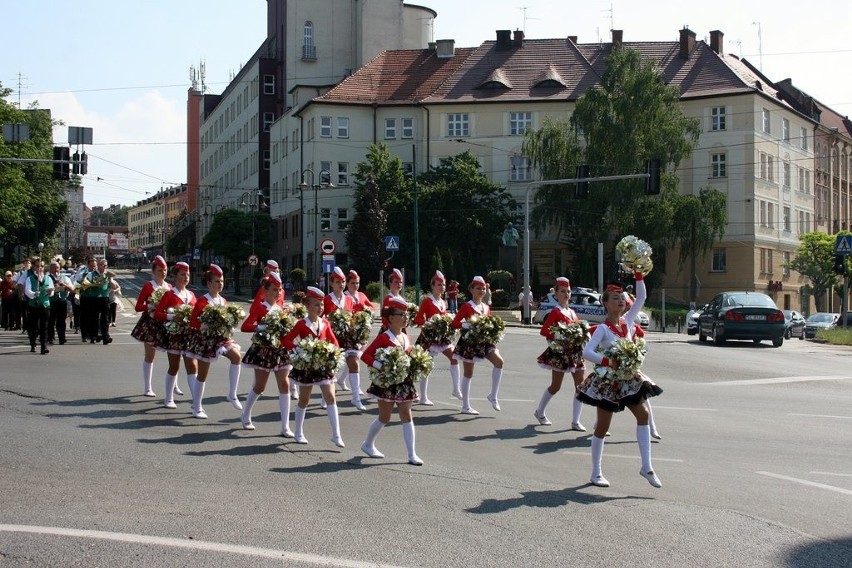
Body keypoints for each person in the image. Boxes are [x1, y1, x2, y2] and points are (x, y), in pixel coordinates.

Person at [578, 273, 663, 488]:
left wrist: (639, 274)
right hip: (608, 381)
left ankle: (647, 467)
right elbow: (587, 352)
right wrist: (607, 361)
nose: (621, 300)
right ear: (605, 304)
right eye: (614, 298)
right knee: (602, 426)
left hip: (628, 379)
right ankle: (596, 472)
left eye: (622, 297)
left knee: (643, 414)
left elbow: (641, 297)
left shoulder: (628, 321)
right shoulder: (603, 329)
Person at [360, 296, 423, 465]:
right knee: (384, 417)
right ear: (391, 318)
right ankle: (367, 444)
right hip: (387, 383)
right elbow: (365, 355)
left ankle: (411, 454)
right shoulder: (383, 337)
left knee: (407, 415)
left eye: (407, 314)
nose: (405, 317)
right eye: (401, 314)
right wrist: (380, 366)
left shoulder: (406, 337)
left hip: (404, 383)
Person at [281, 286, 344, 447]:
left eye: (321, 305)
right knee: (304, 399)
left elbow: (334, 341)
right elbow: (287, 341)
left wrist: (333, 352)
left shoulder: (325, 323)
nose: (320, 308)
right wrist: (300, 350)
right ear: (307, 306)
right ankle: (298, 432)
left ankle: (336, 434)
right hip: (306, 366)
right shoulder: (301, 324)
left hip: (322, 366)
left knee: (330, 396)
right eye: (316, 305)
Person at [185, 264, 243, 419]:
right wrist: (205, 324)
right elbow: (193, 322)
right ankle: (197, 407)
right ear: (209, 283)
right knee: (203, 374)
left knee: (237, 357)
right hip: (207, 340)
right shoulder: (203, 301)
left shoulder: (223, 301)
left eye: (222, 281)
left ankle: (232, 394)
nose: (220, 284)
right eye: (217, 281)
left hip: (222, 338)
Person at [239, 271, 294, 436]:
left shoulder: (281, 309)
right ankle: (245, 414)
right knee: (260, 386)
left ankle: (285, 426)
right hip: (263, 350)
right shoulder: (261, 308)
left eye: (279, 290)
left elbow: (284, 332)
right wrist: (261, 327)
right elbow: (245, 326)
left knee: (284, 384)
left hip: (280, 350)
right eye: (274, 290)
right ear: (266, 291)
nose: (278, 293)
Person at [533, 277, 586, 430]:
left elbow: (577, 330)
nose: (566, 294)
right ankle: (540, 412)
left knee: (580, 386)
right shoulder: (555, 312)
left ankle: (576, 421)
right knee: (556, 386)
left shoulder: (572, 312)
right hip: (561, 354)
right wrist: (561, 336)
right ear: (556, 293)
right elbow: (544, 331)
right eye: (563, 291)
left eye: (568, 291)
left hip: (575, 352)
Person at [451, 275, 504, 415]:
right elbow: (454, 323)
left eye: (483, 288)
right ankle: (465, 406)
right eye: (478, 288)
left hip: (485, 342)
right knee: (468, 373)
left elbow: (489, 323)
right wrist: (467, 324)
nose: (481, 291)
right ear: (472, 290)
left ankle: (493, 395)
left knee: (499, 362)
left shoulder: (486, 307)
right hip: (470, 342)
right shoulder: (467, 306)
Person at [153, 262, 198, 411]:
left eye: (188, 275)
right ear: (175, 276)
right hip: (174, 335)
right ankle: (168, 398)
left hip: (189, 335)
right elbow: (158, 314)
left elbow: (198, 314)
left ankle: (196, 402)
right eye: (182, 274)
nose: (186, 277)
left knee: (192, 366)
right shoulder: (169, 294)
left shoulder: (191, 295)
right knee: (174, 366)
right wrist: (173, 317)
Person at [413, 270, 462, 403]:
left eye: (443, 285)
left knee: (454, 357)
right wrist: (430, 323)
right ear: (433, 286)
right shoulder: (427, 301)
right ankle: (423, 396)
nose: (442, 287)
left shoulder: (443, 302)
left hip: (442, 336)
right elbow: (417, 319)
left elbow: (444, 318)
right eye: (439, 285)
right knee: (425, 365)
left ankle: (456, 389)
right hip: (428, 337)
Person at [323, 266, 366, 410]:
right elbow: (322, 318)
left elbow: (352, 316)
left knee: (354, 363)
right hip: (333, 337)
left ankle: (356, 398)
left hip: (348, 336)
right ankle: (325, 397)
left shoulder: (349, 299)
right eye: (337, 282)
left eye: (342, 282)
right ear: (331, 283)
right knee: (332, 368)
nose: (340, 284)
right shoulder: (327, 299)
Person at [130, 255, 173, 397]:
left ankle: (175, 385)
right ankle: (148, 387)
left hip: (167, 323)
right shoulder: (149, 286)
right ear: (154, 272)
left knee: (174, 354)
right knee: (150, 355)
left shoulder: (169, 287)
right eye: (160, 270)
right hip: (150, 324)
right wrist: (151, 305)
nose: (163, 273)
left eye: (165, 270)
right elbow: (137, 307)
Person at [85, 258, 119, 345]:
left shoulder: (107, 275)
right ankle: (94, 336)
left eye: (105, 265)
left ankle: (106, 337)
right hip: (94, 298)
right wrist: (94, 284)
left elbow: (114, 287)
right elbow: (84, 285)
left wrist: (110, 279)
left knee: (105, 318)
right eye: (101, 265)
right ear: (98, 265)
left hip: (104, 298)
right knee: (94, 318)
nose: (103, 267)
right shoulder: (91, 274)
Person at [24, 258, 54, 354]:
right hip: (34, 305)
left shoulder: (48, 278)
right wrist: (33, 294)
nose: (40, 268)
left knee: (44, 326)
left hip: (45, 304)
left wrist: (50, 292)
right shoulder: (30, 278)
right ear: (34, 267)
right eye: (37, 266)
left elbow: (52, 291)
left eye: (41, 266)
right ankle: (33, 343)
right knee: (32, 326)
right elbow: (27, 291)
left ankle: (43, 346)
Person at [47, 261, 74, 346]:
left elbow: (72, 289)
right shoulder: (47, 278)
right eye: (54, 268)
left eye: (57, 268)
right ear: (50, 269)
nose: (56, 270)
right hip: (51, 301)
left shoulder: (64, 278)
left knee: (61, 321)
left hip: (62, 301)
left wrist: (63, 285)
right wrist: (53, 288)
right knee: (51, 320)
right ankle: (50, 338)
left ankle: (62, 338)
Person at [15, 258, 32, 334]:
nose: (27, 264)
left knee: (31, 312)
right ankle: (25, 327)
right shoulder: (21, 273)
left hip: (31, 294)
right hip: (24, 295)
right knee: (24, 313)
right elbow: (15, 281)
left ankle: (32, 327)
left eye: (28, 263)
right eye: (25, 263)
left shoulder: (33, 272)